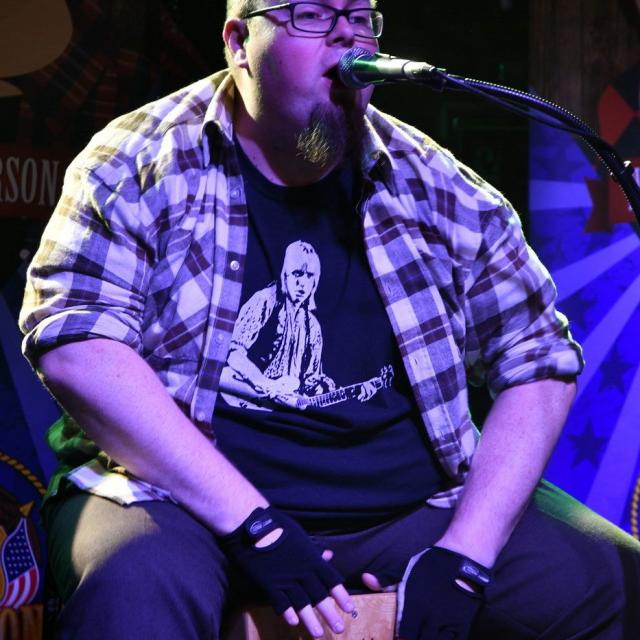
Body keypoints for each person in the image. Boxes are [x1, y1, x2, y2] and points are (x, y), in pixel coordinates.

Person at [19, 1, 640, 638]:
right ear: (239, 43)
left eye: (360, 16)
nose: (346, 33)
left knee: (614, 578)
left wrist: (465, 557)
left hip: (407, 508)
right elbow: (74, 341)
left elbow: (539, 359)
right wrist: (253, 523)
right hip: (185, 502)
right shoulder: (135, 159)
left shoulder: (439, 186)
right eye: (313, 14)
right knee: (132, 589)